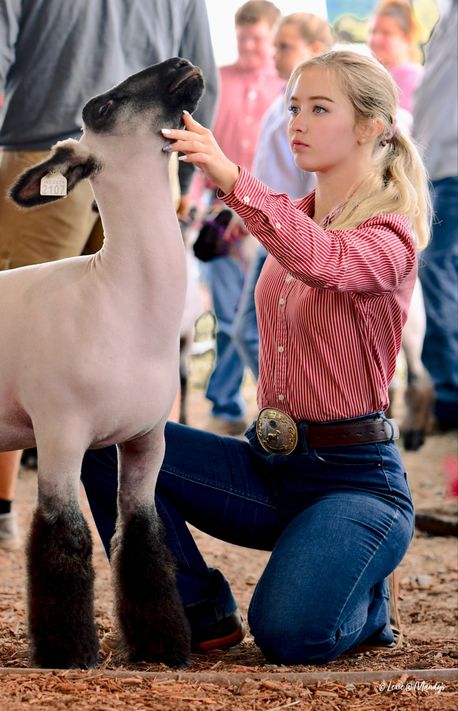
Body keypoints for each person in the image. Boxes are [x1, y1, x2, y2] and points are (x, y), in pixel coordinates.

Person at [81, 50, 431, 664]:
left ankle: (369, 600)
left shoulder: (392, 235)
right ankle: (198, 611)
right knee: (107, 444)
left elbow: (322, 260)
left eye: (320, 108)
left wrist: (231, 176)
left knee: (289, 636)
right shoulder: (290, 217)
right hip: (269, 465)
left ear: (372, 127)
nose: (296, 121)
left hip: (355, 482)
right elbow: (295, 248)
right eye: (294, 106)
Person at [0, 0, 218, 550]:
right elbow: (199, 64)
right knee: (32, 339)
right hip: (84, 150)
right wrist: (189, 151)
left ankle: (2, 510)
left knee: (44, 336)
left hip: (73, 143)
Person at [232, 12, 332, 378]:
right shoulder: (281, 103)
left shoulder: (316, 111)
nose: (274, 54)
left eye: (284, 46)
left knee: (252, 332)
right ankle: (286, 411)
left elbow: (314, 179)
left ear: (315, 49)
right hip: (270, 232)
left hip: (294, 232)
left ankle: (289, 414)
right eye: (274, 45)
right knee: (251, 333)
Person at [200, 0, 284, 436]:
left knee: (254, 315)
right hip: (218, 217)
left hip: (268, 216)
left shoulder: (287, 88)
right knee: (228, 316)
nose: (249, 45)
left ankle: (263, 403)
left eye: (258, 37)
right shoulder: (217, 81)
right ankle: (226, 403)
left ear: (272, 38)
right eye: (243, 36)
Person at [413, 0, 458, 430]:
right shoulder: (447, 15)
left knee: (436, 267)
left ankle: (449, 394)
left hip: (452, 166)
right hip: (438, 164)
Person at [368, 0, 423, 114]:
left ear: (407, 38)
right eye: (373, 32)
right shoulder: (374, 75)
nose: (376, 39)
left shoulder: (414, 78)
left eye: (386, 33)